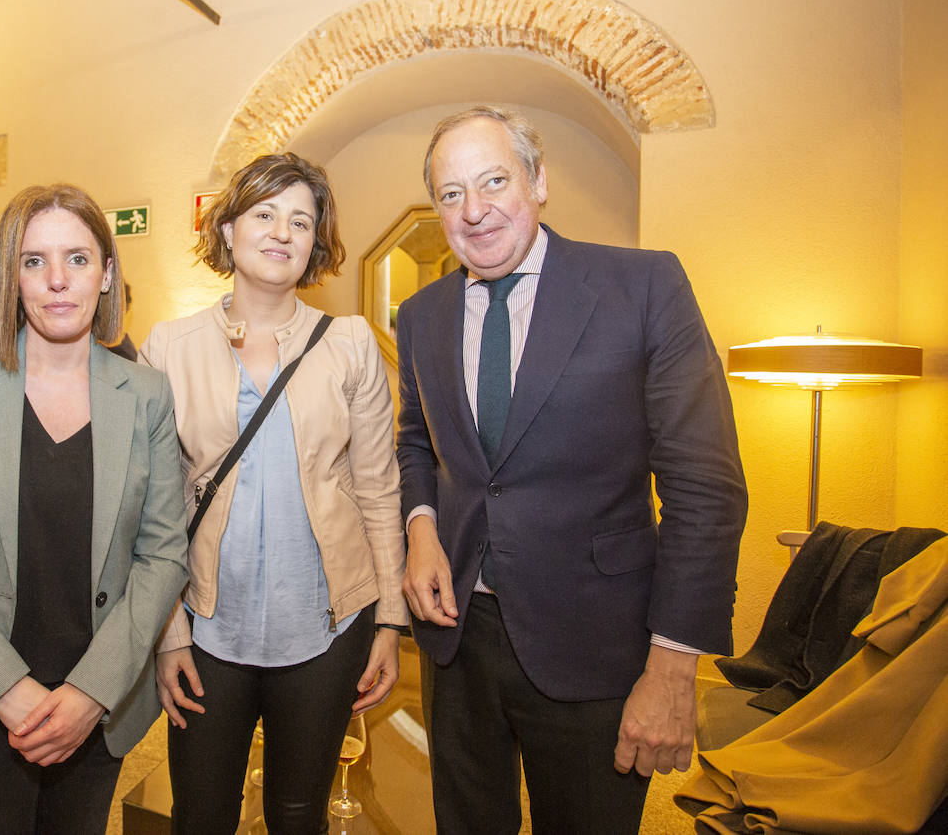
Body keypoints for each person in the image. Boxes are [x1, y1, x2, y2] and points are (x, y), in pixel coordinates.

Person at [396, 106, 748, 834]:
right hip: (458, 642)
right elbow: (415, 440)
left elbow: (703, 489)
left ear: (539, 180)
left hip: (596, 646)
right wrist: (422, 527)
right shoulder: (421, 314)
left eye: (494, 180)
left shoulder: (644, 287)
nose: (475, 209)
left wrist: (673, 666)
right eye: (452, 192)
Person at [0, 184, 188, 834]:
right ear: (7, 277)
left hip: (95, 712)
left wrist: (91, 692)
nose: (56, 281)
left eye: (78, 259)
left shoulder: (146, 395)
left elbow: (163, 553)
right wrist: (9, 691)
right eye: (32, 260)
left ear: (107, 274)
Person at [142, 153, 408, 832]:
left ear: (315, 242)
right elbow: (152, 506)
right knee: (200, 814)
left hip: (326, 627)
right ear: (227, 229)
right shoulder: (169, 347)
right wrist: (168, 634)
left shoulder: (349, 346)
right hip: (206, 625)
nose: (282, 231)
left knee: (298, 814)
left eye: (300, 220)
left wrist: (388, 621)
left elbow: (379, 491)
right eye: (264, 214)